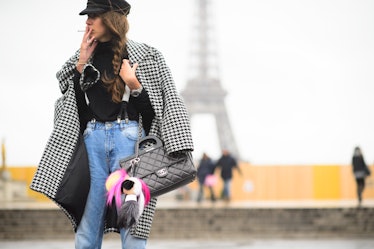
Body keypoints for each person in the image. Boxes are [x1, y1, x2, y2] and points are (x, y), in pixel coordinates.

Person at [30, 1, 194, 248]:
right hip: (91, 142)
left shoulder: (146, 56)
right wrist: (80, 65)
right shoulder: (83, 57)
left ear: (110, 19)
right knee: (87, 225)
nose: (87, 22)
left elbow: (154, 115)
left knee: (132, 225)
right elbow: (75, 109)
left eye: (93, 16)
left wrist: (135, 85)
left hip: (129, 145)